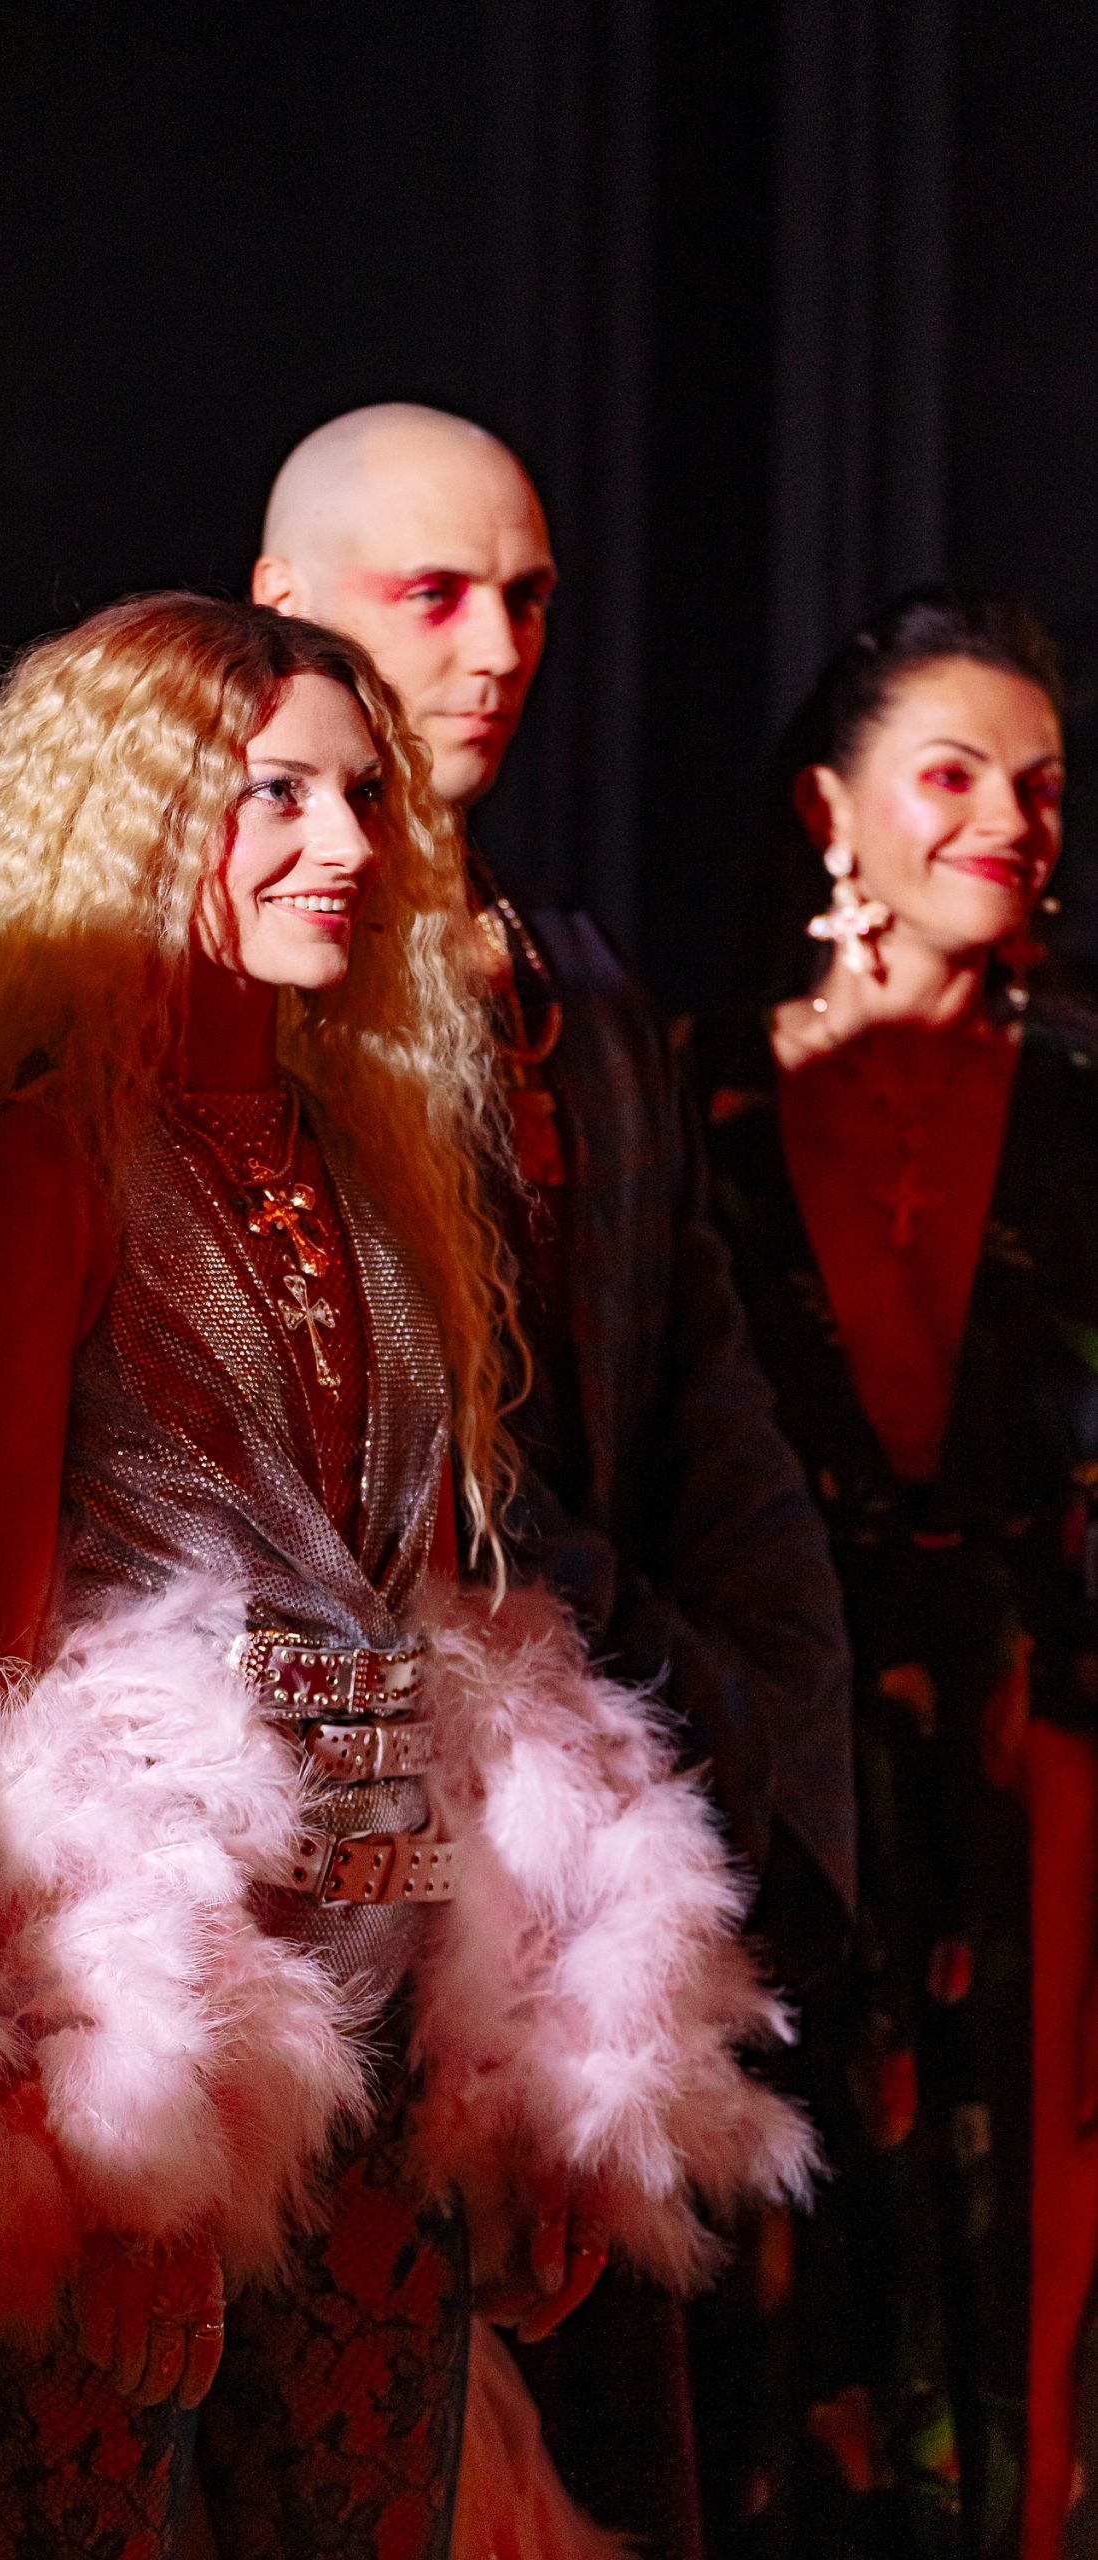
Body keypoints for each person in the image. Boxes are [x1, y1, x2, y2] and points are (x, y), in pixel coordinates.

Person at [0, 594, 812, 2560]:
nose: (346, 843)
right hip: (142, 2022)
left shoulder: (377, 1170)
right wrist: (103, 2123)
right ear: (139, 815)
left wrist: (517, 2073)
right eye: (276, 795)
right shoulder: (42, 1170)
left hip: (380, 2013)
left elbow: (432, 1645)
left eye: (363, 796)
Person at [254, 402, 856, 2557]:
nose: (497, 647)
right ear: (285, 605)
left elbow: (704, 1397)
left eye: (524, 596)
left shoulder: (573, 987)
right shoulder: (222, 986)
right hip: (321, 1820)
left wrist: (723, 1711)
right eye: (434, 595)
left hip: (598, 1796)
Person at [683, 588, 1096, 2559]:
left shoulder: (1086, 1106)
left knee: (1034, 2329)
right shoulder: (687, 1098)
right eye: (954, 774)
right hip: (768, 1782)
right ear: (826, 808)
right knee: (772, 2330)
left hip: (1044, 1796)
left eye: (1042, 787)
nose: (1008, 819)